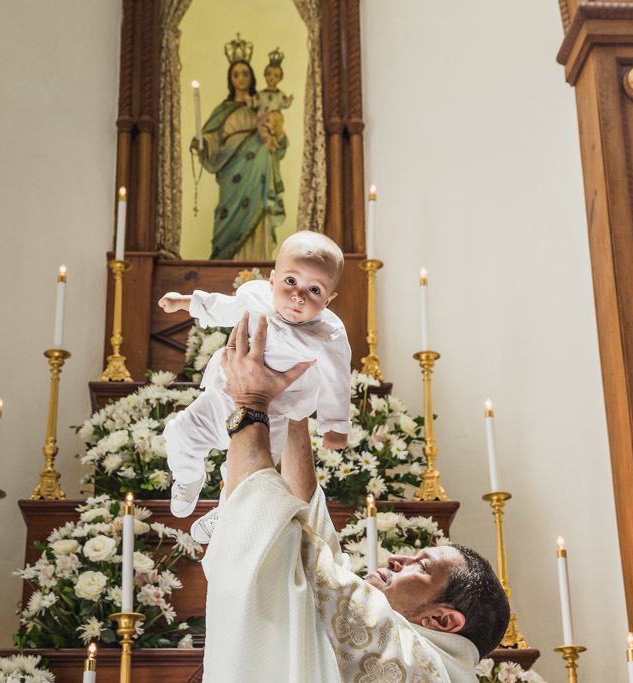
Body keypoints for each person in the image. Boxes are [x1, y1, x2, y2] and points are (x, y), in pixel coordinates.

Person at [200, 312, 510, 682]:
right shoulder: (425, 662)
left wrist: (251, 401)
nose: (399, 559)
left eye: (422, 566)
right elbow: (320, 564)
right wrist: (296, 411)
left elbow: (274, 548)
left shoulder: (409, 659)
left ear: (442, 619)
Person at [158, 231, 351, 543]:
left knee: (253, 476)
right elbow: (222, 306)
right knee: (179, 432)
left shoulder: (327, 335)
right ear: (272, 281)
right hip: (224, 396)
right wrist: (185, 302)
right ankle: (188, 475)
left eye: (313, 290)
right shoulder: (257, 299)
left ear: (328, 300)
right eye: (291, 282)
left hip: (273, 415)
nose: (298, 296)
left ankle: (226, 513)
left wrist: (335, 425)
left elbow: (338, 380)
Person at [192, 57, 287, 260]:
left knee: (258, 217)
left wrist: (275, 136)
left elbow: (278, 141)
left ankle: (257, 262)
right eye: (236, 74)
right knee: (227, 215)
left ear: (252, 77)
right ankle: (226, 262)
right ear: (230, 79)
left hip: (258, 172)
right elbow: (210, 138)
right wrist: (202, 144)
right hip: (231, 172)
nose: (241, 79)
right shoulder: (223, 110)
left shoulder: (261, 107)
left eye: (245, 74)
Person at [252, 48, 293, 145]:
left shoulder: (280, 94)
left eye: (275, 76)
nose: (271, 78)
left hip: (274, 123)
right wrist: (249, 101)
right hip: (261, 121)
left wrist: (288, 101)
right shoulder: (261, 94)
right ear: (265, 76)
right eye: (269, 74)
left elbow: (284, 104)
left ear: (280, 78)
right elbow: (254, 102)